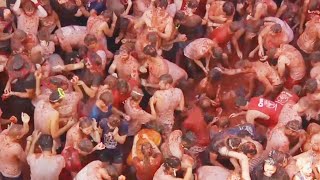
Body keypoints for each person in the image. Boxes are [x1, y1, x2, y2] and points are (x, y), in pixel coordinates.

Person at [149, 74, 185, 139]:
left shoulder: (158, 94)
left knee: (155, 136)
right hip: (169, 122)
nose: (159, 84)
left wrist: (151, 103)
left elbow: (151, 104)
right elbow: (181, 108)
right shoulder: (179, 92)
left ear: (167, 85)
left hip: (158, 120)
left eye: (161, 83)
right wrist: (172, 107)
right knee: (166, 138)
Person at [0, 113, 30, 180]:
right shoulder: (16, 147)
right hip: (12, 175)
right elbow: (25, 159)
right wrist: (28, 143)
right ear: (18, 137)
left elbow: (22, 131)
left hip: (2, 170)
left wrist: (25, 122)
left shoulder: (2, 135)